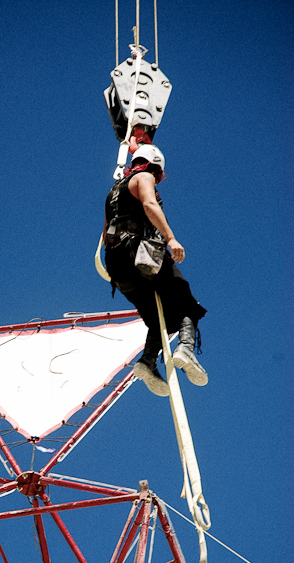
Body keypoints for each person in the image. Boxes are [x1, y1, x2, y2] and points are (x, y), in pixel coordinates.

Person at [103, 143, 208, 396]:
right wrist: (170, 238)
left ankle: (148, 362)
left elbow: (106, 230)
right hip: (139, 254)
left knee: (159, 317)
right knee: (185, 300)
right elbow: (150, 205)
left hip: (117, 266)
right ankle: (185, 349)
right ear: (155, 169)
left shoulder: (112, 192)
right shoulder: (144, 177)